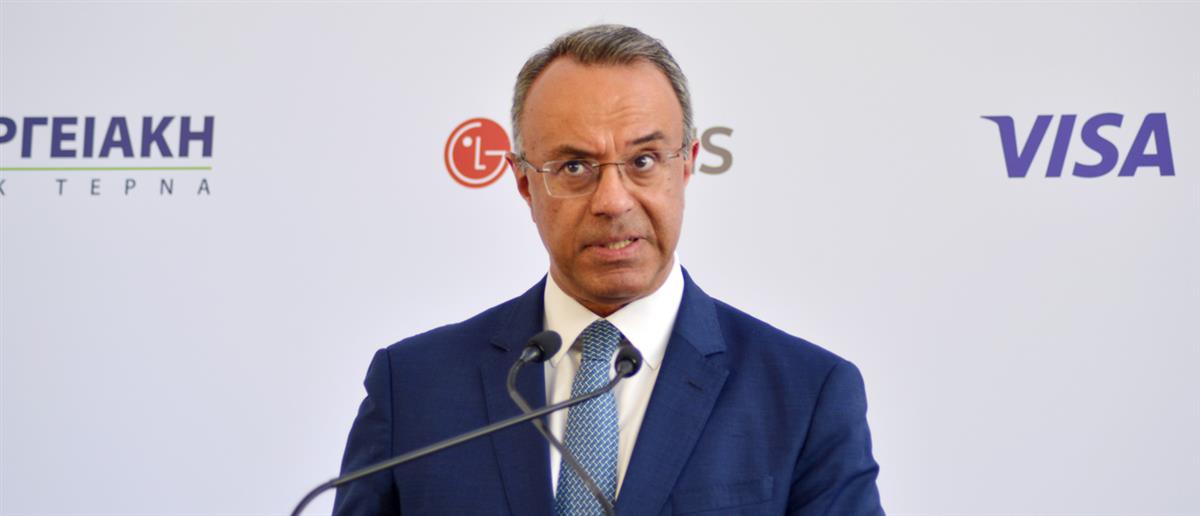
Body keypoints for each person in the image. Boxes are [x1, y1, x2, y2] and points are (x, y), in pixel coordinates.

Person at [334, 24, 884, 515]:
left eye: (643, 161)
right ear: (525, 184)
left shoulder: (806, 393)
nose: (613, 201)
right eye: (575, 167)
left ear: (687, 166)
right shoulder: (413, 387)